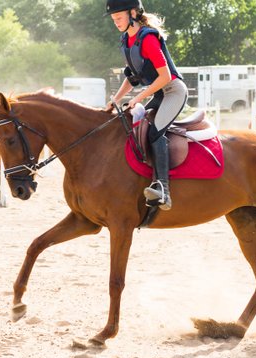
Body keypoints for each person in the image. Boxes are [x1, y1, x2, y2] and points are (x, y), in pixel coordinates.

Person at [105, 0, 187, 211]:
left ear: (133, 13)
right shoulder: (126, 40)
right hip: (159, 93)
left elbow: (165, 76)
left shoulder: (148, 38)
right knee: (136, 127)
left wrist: (139, 97)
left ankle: (163, 190)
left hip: (173, 92)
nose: (116, 22)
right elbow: (132, 78)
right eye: (113, 19)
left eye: (119, 18)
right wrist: (115, 100)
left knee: (154, 133)